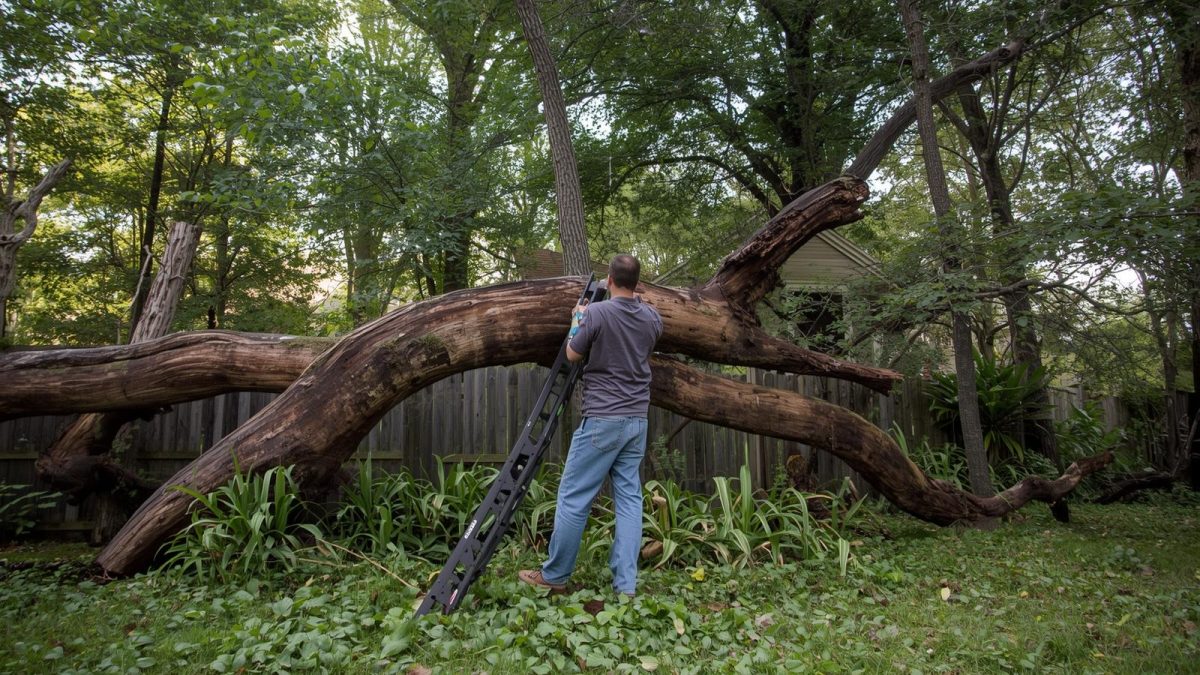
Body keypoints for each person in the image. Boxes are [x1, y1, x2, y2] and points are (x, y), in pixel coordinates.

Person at [518, 254, 662, 597]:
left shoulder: (596, 313)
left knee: (573, 497)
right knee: (629, 499)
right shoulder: (653, 318)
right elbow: (642, 334)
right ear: (638, 283)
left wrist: (577, 319)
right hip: (637, 420)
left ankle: (555, 575)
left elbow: (572, 354)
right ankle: (625, 586)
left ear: (609, 280)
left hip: (602, 419)